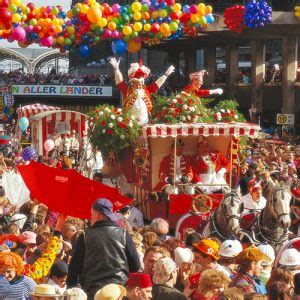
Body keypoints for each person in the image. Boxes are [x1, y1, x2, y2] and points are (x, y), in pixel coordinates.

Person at [67, 198, 141, 299]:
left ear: (98, 214)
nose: (91, 217)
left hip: (92, 292)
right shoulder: (123, 234)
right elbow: (135, 265)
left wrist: (70, 289)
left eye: (92, 214)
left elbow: (74, 267)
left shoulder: (85, 235)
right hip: (119, 292)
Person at [110, 57, 175, 125]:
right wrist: (116, 69)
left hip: (145, 122)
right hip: (132, 124)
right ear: (132, 83)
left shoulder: (146, 90)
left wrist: (166, 75)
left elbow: (157, 85)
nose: (138, 85)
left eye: (140, 83)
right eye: (136, 83)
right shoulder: (127, 90)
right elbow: (120, 82)